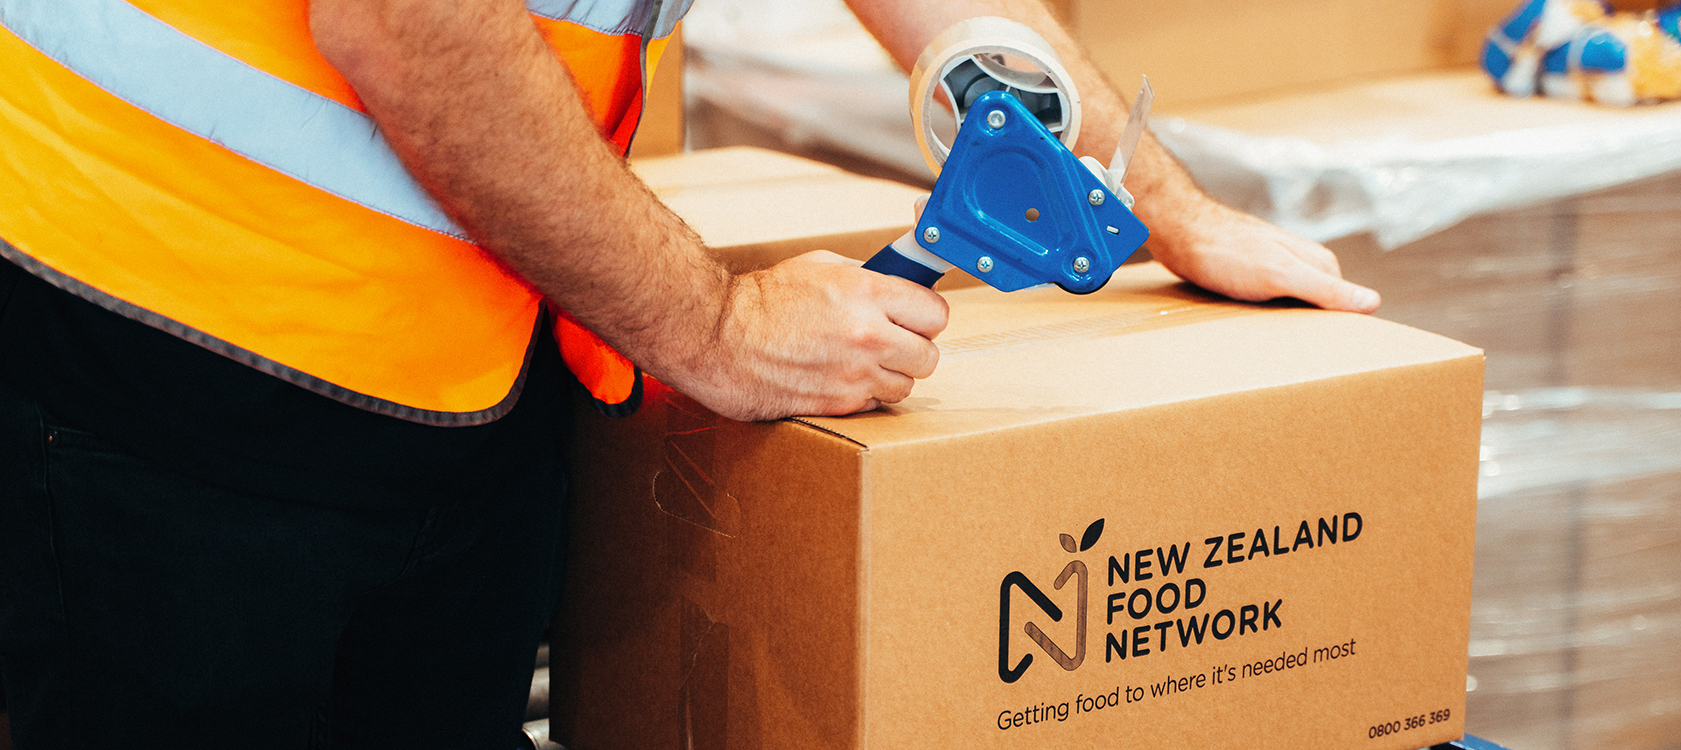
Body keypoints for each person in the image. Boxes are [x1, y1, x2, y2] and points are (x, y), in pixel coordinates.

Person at [0, 0, 1380, 748]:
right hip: (160, 362)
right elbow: (405, 19)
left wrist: (1145, 198)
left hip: (468, 362)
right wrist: (713, 325)